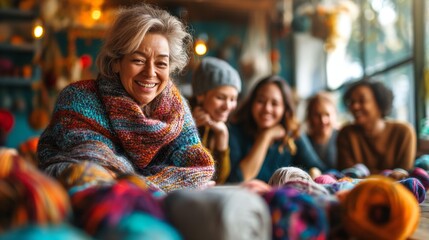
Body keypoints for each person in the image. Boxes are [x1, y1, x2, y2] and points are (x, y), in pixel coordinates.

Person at [37, 4, 214, 192]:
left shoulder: (176, 109)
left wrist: (144, 185)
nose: (150, 73)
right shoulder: (78, 99)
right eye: (138, 60)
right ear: (116, 63)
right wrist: (175, 184)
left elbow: (197, 167)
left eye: (161, 63)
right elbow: (95, 170)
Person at [226, 75, 327, 183]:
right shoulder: (235, 132)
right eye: (261, 101)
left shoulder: (293, 134)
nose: (267, 109)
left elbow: (320, 169)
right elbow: (238, 179)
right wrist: (266, 137)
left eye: (275, 103)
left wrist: (313, 173)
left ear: (285, 108)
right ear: (252, 103)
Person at [337, 79, 416, 174]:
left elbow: (404, 175)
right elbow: (348, 175)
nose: (355, 106)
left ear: (379, 103)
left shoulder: (404, 132)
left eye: (362, 100)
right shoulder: (346, 134)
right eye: (352, 102)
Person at [190, 57, 241, 184]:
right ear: (200, 95)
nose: (228, 106)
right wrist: (190, 129)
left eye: (233, 99)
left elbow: (220, 180)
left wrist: (222, 135)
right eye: (220, 97)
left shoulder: (229, 129)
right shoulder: (179, 120)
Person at [305, 92, 339, 169]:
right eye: (317, 115)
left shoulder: (342, 138)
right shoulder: (304, 141)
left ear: (334, 115)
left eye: (327, 114)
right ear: (309, 117)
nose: (323, 120)